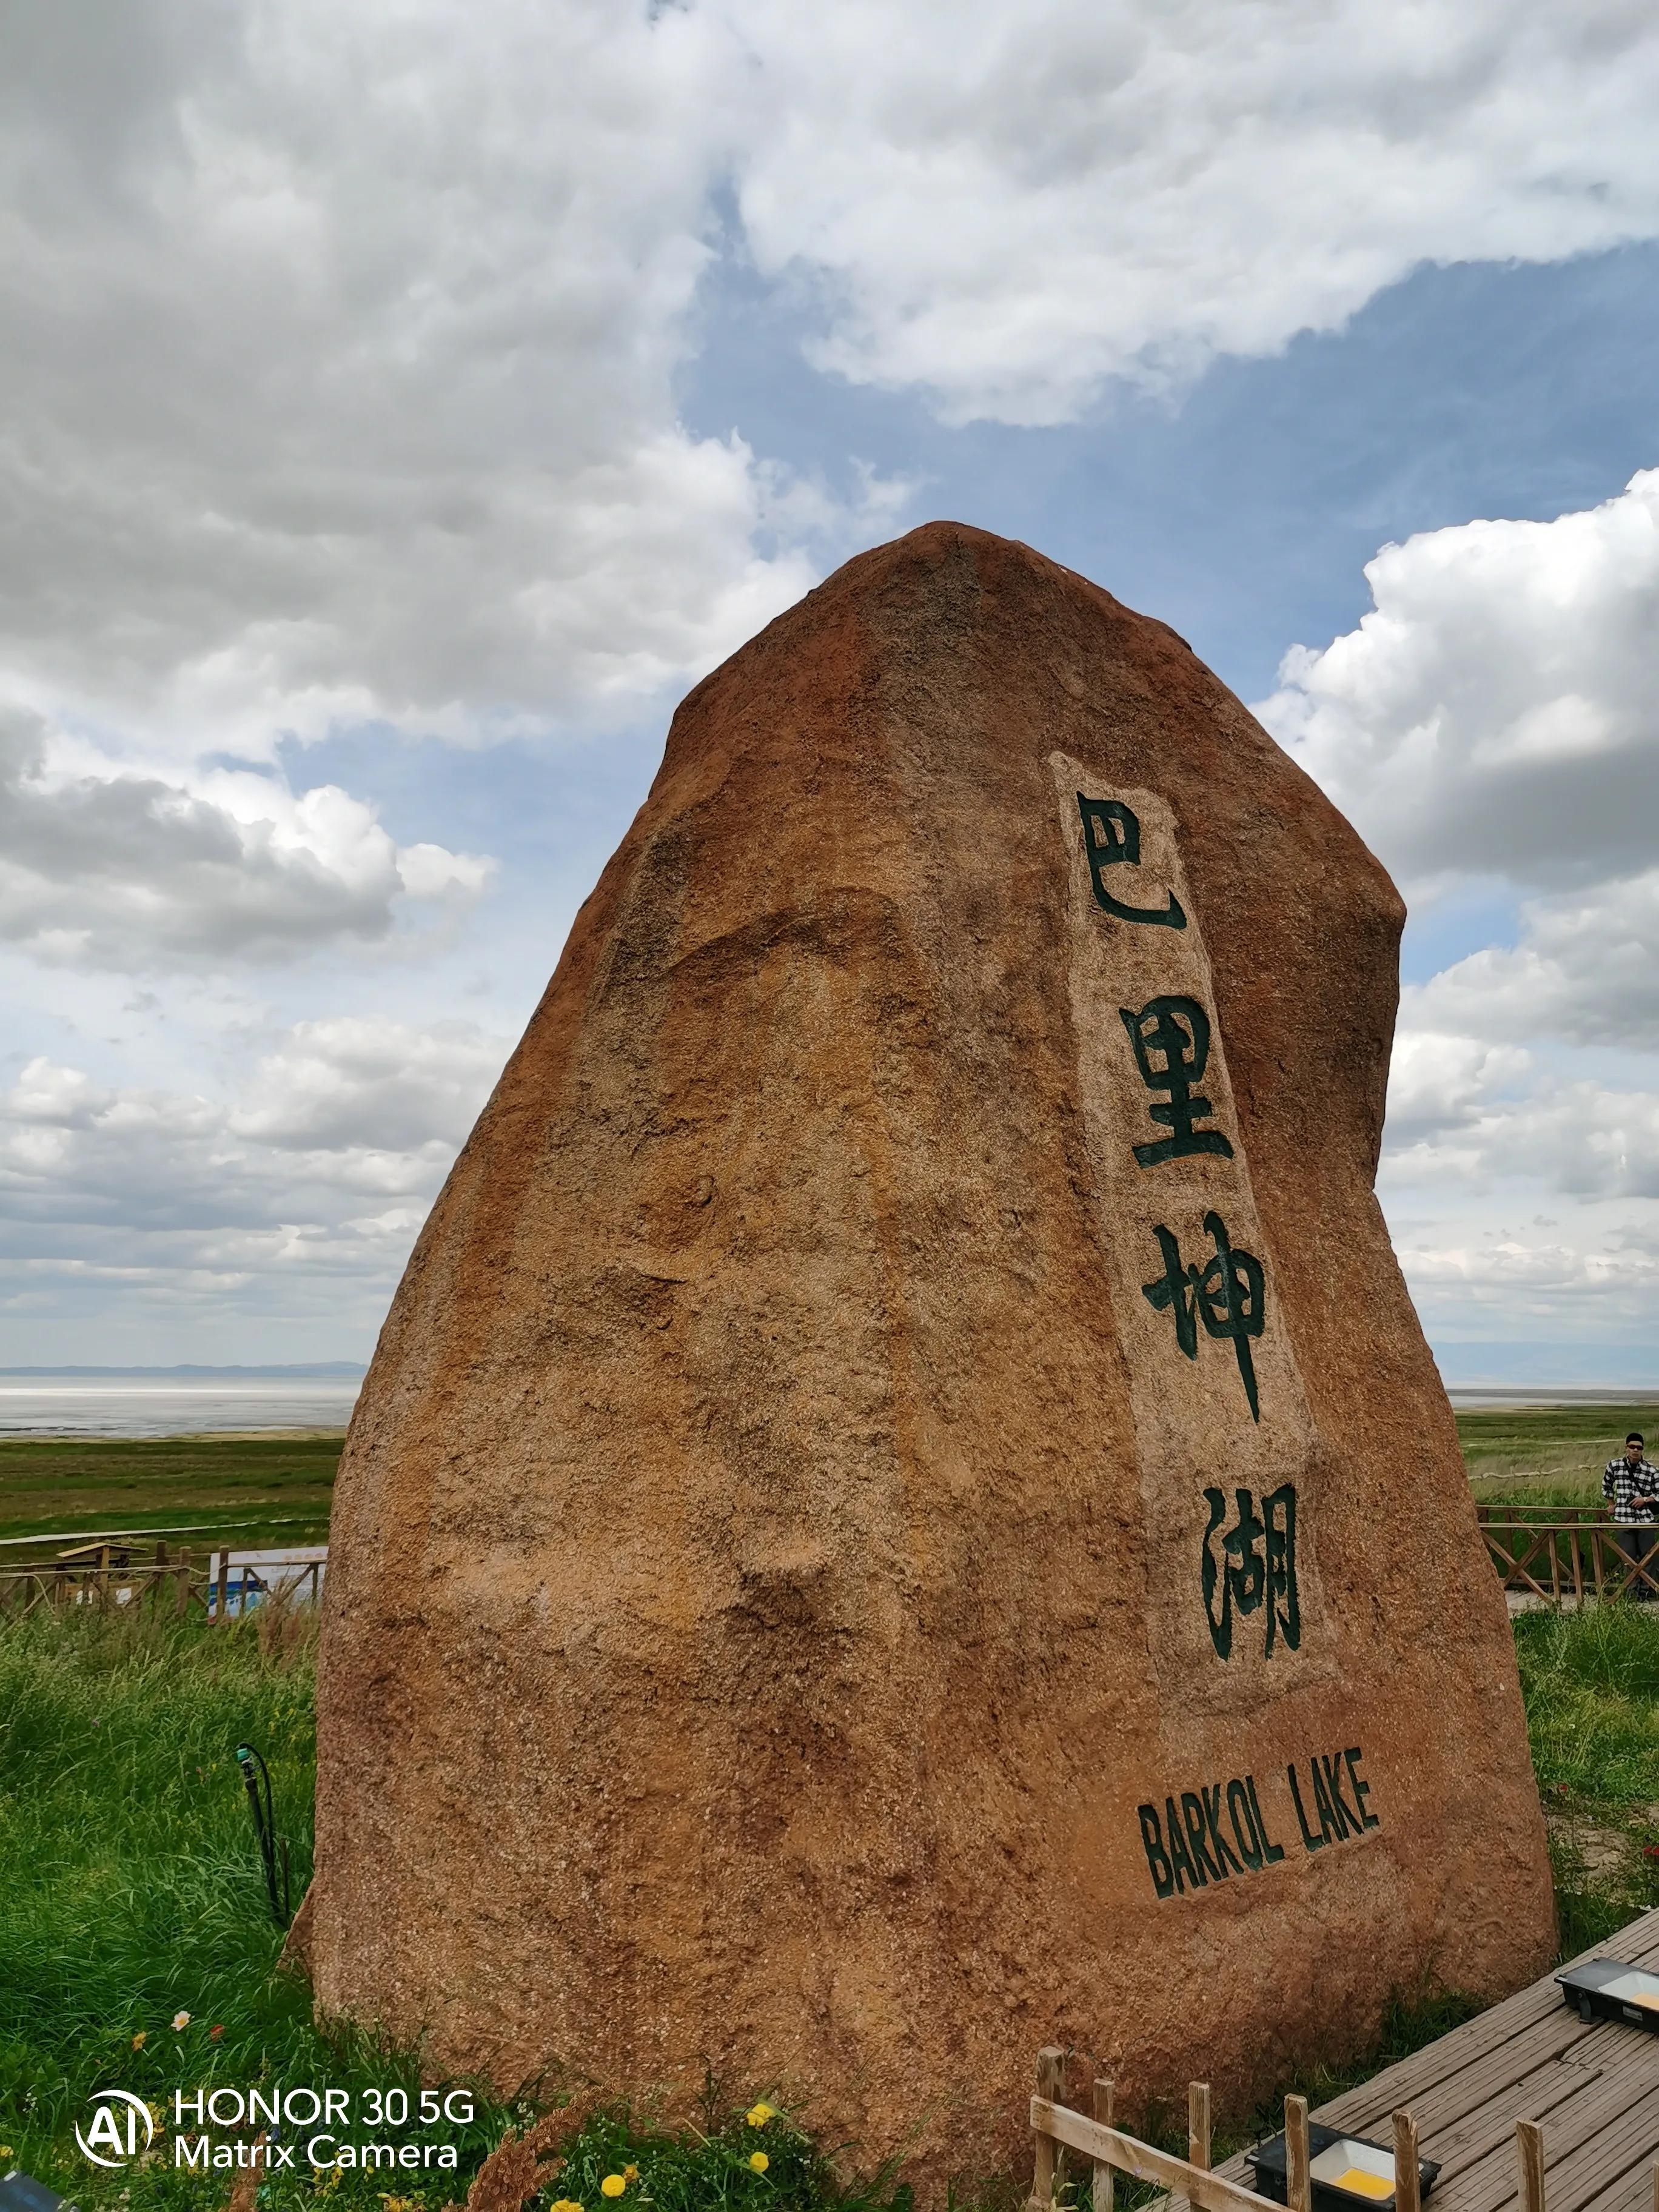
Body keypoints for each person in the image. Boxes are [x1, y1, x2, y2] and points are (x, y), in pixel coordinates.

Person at [1603, 1431, 1659, 1598]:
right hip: (1623, 1519)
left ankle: (1648, 1590)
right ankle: (1631, 1591)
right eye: (1632, 1447)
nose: (1635, 1450)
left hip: (1645, 1520)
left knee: (1648, 1556)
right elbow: (1606, 1486)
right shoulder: (1615, 1466)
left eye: (1639, 1448)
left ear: (1643, 1450)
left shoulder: (1651, 1470)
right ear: (1626, 1448)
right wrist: (1611, 1504)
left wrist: (1646, 1499)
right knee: (1628, 1557)